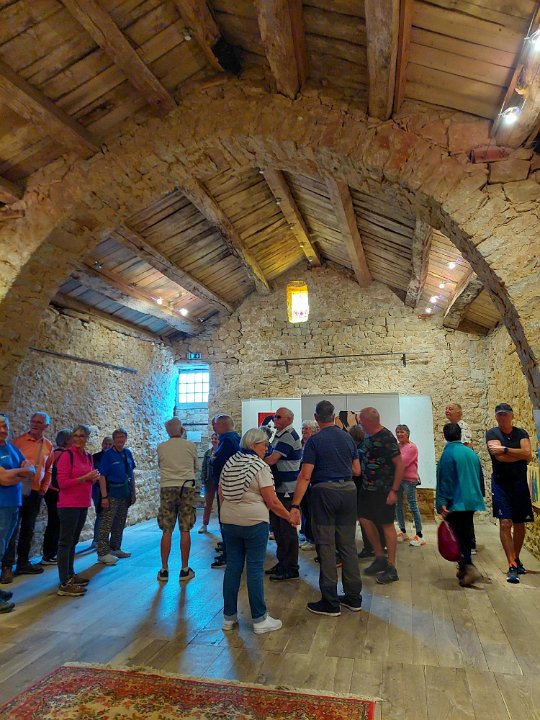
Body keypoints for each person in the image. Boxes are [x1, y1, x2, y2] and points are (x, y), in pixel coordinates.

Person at [290, 400, 362, 617]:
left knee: (326, 545)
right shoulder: (347, 438)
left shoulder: (314, 441)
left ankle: (330, 602)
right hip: (348, 491)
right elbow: (357, 470)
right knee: (348, 545)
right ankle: (353, 597)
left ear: (316, 417)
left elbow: (305, 475)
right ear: (334, 416)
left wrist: (295, 505)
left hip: (324, 493)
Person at [220, 428, 291, 634]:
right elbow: (272, 500)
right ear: (253, 445)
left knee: (233, 567)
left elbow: (221, 492)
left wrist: (230, 513)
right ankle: (260, 619)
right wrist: (289, 517)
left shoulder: (230, 462)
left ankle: (228, 617)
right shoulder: (259, 466)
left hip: (229, 520)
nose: (267, 448)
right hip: (254, 522)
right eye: (264, 445)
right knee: (254, 569)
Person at [1, 411, 54, 583]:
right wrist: (20, 473)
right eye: (33, 421)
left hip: (35, 493)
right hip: (15, 493)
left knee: (28, 528)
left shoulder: (48, 445)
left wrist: (43, 488)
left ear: (46, 426)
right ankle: (7, 567)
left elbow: (48, 469)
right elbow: (9, 470)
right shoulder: (18, 442)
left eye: (39, 422)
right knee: (11, 531)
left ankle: (23, 562)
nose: (35, 424)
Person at [486, 403, 533, 584]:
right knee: (505, 522)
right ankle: (511, 563)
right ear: (496, 417)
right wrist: (518, 454)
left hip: (519, 484)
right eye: (499, 415)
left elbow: (528, 454)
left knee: (520, 523)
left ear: (512, 416)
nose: (502, 417)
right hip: (501, 484)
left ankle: (516, 557)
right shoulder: (492, 434)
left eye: (505, 414)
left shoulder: (521, 433)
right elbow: (499, 458)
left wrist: (506, 449)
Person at [357, 407, 404, 585]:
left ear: (368, 421)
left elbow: (400, 465)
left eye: (361, 420)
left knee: (386, 524)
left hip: (384, 489)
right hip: (367, 489)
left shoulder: (386, 437)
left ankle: (392, 567)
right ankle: (379, 557)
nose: (359, 423)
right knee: (364, 519)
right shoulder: (367, 437)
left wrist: (394, 490)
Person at [436, 423, 485, 587]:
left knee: (458, 537)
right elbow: (480, 476)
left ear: (444, 436)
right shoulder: (470, 453)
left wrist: (443, 501)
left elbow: (446, 480)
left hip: (457, 501)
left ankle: (468, 567)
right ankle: (464, 570)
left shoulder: (448, 454)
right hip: (472, 500)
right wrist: (480, 495)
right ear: (459, 435)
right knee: (465, 534)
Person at [56, 424, 100, 597]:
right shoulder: (67, 456)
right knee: (65, 542)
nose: (78, 439)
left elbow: (87, 479)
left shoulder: (88, 456)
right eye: (76, 435)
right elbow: (62, 483)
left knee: (73, 541)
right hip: (68, 504)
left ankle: (70, 574)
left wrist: (92, 478)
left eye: (82, 436)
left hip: (82, 503)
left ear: (87, 438)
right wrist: (85, 478)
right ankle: (64, 583)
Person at [156, 417, 198, 583]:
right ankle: (184, 569)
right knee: (185, 528)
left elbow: (161, 465)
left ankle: (164, 570)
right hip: (186, 486)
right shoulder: (190, 445)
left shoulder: (161, 447)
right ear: (182, 430)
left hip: (167, 486)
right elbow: (196, 466)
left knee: (167, 529)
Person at [0, 414, 35, 612]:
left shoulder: (12, 448)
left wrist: (13, 473)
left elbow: (32, 470)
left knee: (3, 549)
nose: (3, 430)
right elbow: (3, 479)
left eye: (5, 426)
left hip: (13, 505)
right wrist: (20, 474)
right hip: (1, 506)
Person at [263, 407, 302, 581]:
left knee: (287, 530)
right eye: (274, 416)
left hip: (287, 489)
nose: (275, 419)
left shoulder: (288, 436)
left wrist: (255, 460)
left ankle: (291, 567)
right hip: (279, 488)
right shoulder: (279, 435)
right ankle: (283, 562)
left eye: (278, 417)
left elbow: (271, 459)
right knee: (278, 529)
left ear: (288, 419)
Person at [97, 429, 136, 565]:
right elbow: (102, 476)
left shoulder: (127, 453)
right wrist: (104, 496)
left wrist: (133, 492)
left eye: (122, 437)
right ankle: (102, 552)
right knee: (106, 523)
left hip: (125, 493)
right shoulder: (108, 455)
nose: (120, 439)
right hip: (112, 493)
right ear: (114, 440)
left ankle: (115, 548)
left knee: (120, 522)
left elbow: (131, 473)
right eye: (118, 437)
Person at [349, 424, 385, 559]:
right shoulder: (370, 447)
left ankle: (369, 548)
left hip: (362, 488)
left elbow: (356, 472)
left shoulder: (357, 451)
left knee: (365, 519)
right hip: (375, 487)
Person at [445, 402, 476, 552]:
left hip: (461, 475)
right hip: (453, 474)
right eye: (446, 408)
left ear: (459, 412)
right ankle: (458, 543)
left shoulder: (464, 427)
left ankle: (469, 544)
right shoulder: (449, 428)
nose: (447, 411)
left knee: (465, 511)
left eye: (450, 409)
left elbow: (467, 449)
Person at [210, 414, 241, 568]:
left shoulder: (228, 441)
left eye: (215, 424)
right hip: (229, 485)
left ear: (222, 425)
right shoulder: (234, 439)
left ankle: (229, 554)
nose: (214, 427)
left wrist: (212, 459)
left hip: (226, 486)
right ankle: (229, 548)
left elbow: (218, 461)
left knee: (226, 519)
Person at [41, 429, 73, 565]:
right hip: (57, 491)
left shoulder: (54, 453)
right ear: (67, 440)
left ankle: (50, 553)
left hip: (51, 491)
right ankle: (50, 554)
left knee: (54, 522)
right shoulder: (64, 454)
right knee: (56, 523)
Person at [394, 424, 424, 547]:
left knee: (413, 506)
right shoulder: (397, 446)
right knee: (397, 506)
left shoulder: (412, 447)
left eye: (401, 432)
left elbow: (402, 463)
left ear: (407, 433)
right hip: (398, 479)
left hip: (409, 480)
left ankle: (419, 535)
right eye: (397, 432)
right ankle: (403, 531)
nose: (399, 434)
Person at [91, 436, 113, 549]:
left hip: (111, 488)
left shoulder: (114, 457)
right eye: (106, 444)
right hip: (97, 489)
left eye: (110, 444)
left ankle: (105, 539)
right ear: (102, 444)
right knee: (100, 514)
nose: (107, 446)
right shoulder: (95, 457)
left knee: (109, 514)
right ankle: (96, 539)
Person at [299, 420, 318, 552]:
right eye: (303, 428)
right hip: (302, 480)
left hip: (311, 481)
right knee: (304, 509)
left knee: (311, 511)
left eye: (306, 429)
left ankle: (312, 539)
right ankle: (306, 535)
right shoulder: (302, 443)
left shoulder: (315, 443)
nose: (304, 431)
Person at [198, 432, 218, 534]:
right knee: (207, 504)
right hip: (209, 481)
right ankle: (204, 524)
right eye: (212, 438)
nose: (213, 440)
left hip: (220, 481)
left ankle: (223, 526)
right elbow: (204, 467)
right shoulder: (207, 453)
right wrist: (203, 480)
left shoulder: (222, 452)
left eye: (215, 438)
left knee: (222, 505)